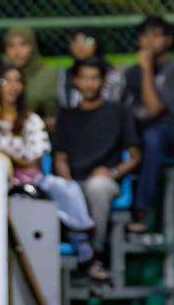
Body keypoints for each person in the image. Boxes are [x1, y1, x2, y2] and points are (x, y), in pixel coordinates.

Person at [53, 56, 141, 282]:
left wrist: (112, 173)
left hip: (105, 181)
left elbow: (134, 156)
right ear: (76, 81)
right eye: (84, 78)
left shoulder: (119, 112)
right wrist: (68, 182)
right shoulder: (66, 116)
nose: (90, 83)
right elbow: (60, 157)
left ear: (103, 81)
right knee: (57, 189)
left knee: (97, 187)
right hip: (72, 181)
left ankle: (94, 256)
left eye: (95, 78)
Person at [122, 15, 174, 235]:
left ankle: (142, 211)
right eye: (144, 35)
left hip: (167, 136)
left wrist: (146, 70)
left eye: (156, 35)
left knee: (153, 136)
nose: (149, 41)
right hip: (136, 133)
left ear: (168, 40)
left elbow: (154, 110)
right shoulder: (129, 73)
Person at [0, 65, 50, 185]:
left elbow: (33, 163)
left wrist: (5, 155)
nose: (12, 86)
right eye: (6, 81)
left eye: (18, 81)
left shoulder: (32, 120)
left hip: (27, 181)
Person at [58, 28, 126, 108]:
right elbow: (65, 103)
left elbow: (114, 103)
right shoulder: (66, 73)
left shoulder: (111, 73)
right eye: (76, 41)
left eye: (87, 41)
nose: (81, 46)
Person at [4, 27, 60, 123]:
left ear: (33, 46)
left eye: (23, 44)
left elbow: (53, 117)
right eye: (11, 45)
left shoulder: (48, 75)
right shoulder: (1, 73)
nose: (17, 51)